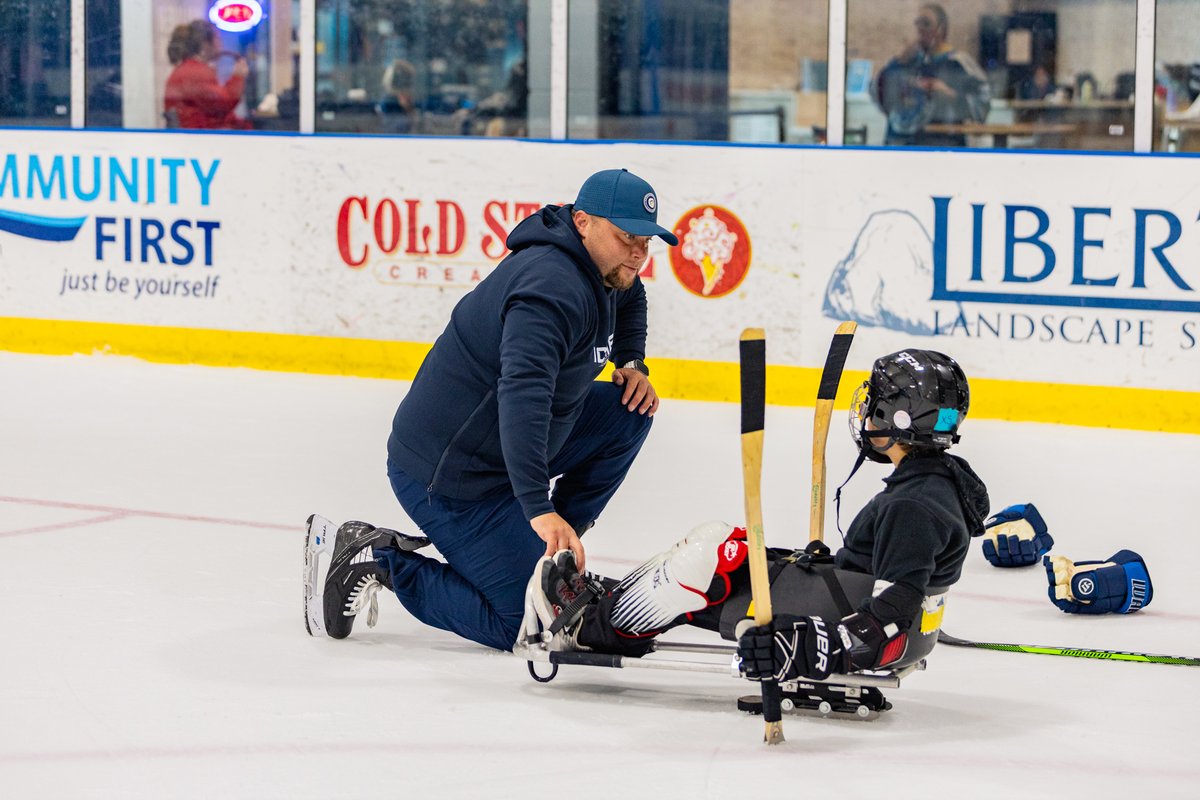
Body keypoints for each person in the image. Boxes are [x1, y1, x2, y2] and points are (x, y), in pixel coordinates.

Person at [304, 168, 679, 651]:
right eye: (626, 237)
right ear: (582, 222)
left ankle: (548, 559)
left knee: (630, 411)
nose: (638, 254)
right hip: (453, 477)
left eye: (646, 241)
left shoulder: (603, 265)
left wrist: (632, 361)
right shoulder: (550, 289)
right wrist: (538, 506)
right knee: (524, 625)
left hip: (517, 447)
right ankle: (375, 558)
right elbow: (522, 396)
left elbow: (631, 294)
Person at [525, 349, 991, 685]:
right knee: (724, 548)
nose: (865, 412)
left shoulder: (915, 507)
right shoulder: (938, 481)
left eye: (874, 403)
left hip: (835, 614)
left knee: (709, 554)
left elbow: (888, 624)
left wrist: (811, 647)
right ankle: (615, 599)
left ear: (900, 418)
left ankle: (589, 627)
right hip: (835, 594)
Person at [872, 4, 991, 147]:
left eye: (926, 24)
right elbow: (879, 91)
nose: (920, 29)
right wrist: (900, 61)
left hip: (942, 141)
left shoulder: (958, 63)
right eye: (918, 23)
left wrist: (947, 93)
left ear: (941, 29)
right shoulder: (909, 61)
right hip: (904, 142)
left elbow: (982, 103)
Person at [163, 20, 250, 130]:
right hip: (196, 141)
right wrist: (237, 77)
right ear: (205, 44)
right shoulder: (194, 72)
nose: (220, 43)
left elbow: (213, 113)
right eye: (217, 39)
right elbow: (222, 106)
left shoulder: (189, 69)